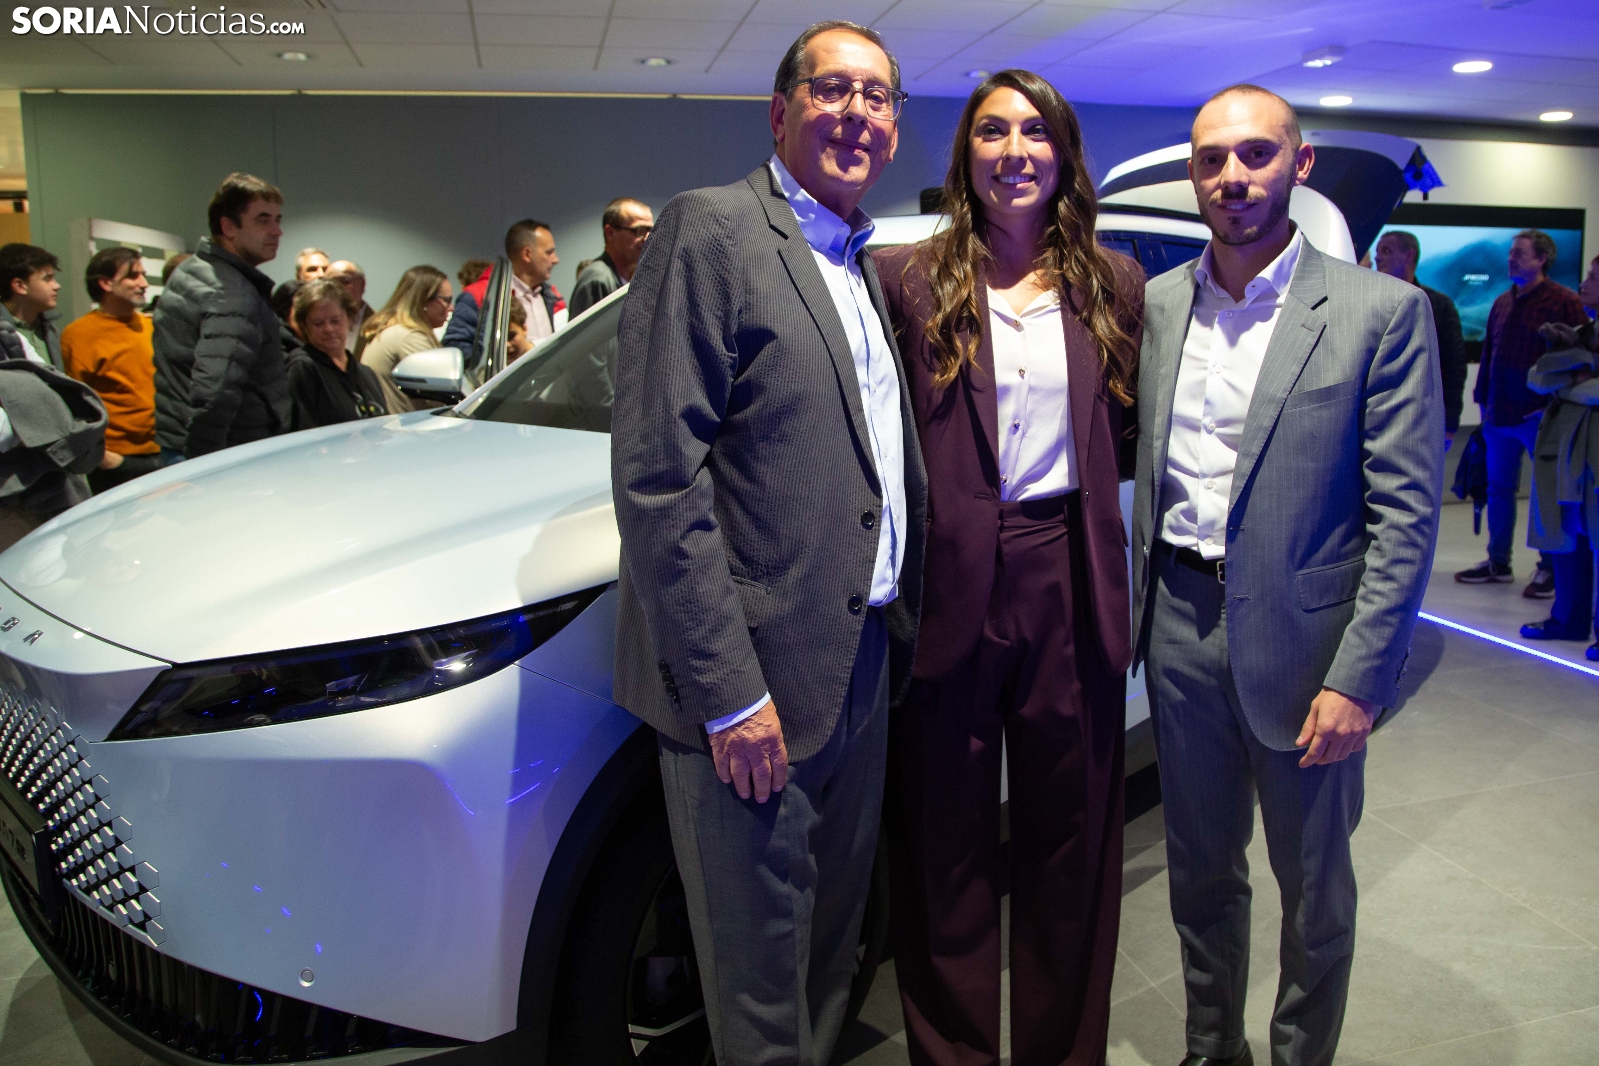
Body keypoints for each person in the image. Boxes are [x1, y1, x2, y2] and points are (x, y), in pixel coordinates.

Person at [610, 20, 925, 1065]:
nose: (856, 114)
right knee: (757, 986)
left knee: (832, 950)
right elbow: (659, 476)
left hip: (861, 661)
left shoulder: (861, 263)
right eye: (832, 90)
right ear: (780, 110)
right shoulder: (712, 228)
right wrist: (729, 694)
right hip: (754, 684)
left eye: (877, 97)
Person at [1131, 85, 1441, 1066]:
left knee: (1314, 890)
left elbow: (1405, 518)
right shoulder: (1159, 304)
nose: (1232, 176)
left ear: (1298, 165)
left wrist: (1359, 678)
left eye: (1256, 154)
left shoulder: (1379, 312)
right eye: (1212, 159)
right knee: (1199, 874)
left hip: (1310, 649)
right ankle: (1210, 1047)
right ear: (1193, 176)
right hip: (1178, 625)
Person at [872, 70, 1143, 1066]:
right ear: (965, 154)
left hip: (1066, 571)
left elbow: (1120, 430)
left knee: (1072, 845)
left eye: (1035, 132)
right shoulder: (906, 278)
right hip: (948, 579)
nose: (1014, 150)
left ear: (1062, 154)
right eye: (992, 131)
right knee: (942, 845)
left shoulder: (1112, 283)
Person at [1456, 229, 1586, 594]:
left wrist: (1550, 405)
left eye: (1519, 253)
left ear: (1542, 259)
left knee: (1545, 493)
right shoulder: (1502, 301)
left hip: (1539, 418)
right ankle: (1498, 561)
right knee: (1498, 490)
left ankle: (1549, 568)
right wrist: (1482, 400)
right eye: (1511, 252)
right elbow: (1490, 355)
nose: (1510, 258)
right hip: (1498, 416)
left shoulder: (1565, 301)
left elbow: (1580, 359)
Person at [153, 172, 291, 461]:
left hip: (186, 444)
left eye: (278, 220)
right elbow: (215, 392)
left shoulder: (193, 270)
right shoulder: (232, 294)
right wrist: (204, 465)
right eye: (263, 220)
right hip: (223, 452)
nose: (277, 231)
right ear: (228, 226)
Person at [1521, 254, 1599, 658]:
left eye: (1594, 277)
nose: (1584, 283)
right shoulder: (1581, 334)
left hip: (1591, 456)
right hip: (1567, 456)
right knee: (1569, 538)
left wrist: (1564, 384)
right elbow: (1537, 377)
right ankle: (1568, 619)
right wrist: (1576, 375)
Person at [60, 247, 164, 493]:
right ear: (106, 283)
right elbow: (74, 406)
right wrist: (104, 457)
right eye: (133, 276)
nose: (143, 284)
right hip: (117, 463)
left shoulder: (152, 326)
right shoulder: (80, 334)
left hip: (164, 452)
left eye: (143, 275)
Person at [0, 312, 106, 549]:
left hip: (41, 493)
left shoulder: (7, 337)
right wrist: (31, 424)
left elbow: (54, 402)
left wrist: (29, 423)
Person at [1375, 230, 1466, 448]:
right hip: (1375, 414)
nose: (1378, 258)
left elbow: (1453, 367)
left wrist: (1449, 424)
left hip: (1421, 417)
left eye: (1386, 251)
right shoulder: (1368, 302)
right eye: (1377, 252)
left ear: (1409, 255)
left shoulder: (1438, 305)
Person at [442, 222, 564, 356]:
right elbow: (456, 348)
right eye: (549, 252)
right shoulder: (480, 296)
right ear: (527, 254)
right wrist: (505, 356)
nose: (556, 260)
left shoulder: (551, 297)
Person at [287, 279, 388, 430]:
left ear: (350, 319)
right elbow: (303, 430)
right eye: (318, 323)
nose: (328, 329)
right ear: (305, 326)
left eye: (335, 321)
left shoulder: (365, 373)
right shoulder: (303, 367)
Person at [361, 265, 453, 415]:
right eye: (447, 300)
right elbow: (439, 396)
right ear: (423, 300)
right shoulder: (410, 337)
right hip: (403, 426)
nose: (451, 308)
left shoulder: (393, 329)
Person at [568, 197, 654, 317]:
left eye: (651, 230)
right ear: (610, 233)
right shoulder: (597, 279)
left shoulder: (633, 278)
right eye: (639, 230)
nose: (648, 238)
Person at [0, 243, 65, 371]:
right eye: (47, 279)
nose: (57, 286)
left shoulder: (50, 329)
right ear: (19, 286)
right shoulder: (3, 333)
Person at [327, 260, 373, 355]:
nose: (337, 288)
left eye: (345, 281)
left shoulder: (380, 325)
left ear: (362, 284)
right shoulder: (317, 323)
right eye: (331, 283)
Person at [505, 299, 532, 363]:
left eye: (511, 336)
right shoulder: (497, 368)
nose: (507, 345)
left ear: (524, 329)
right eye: (500, 340)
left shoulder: (549, 352)